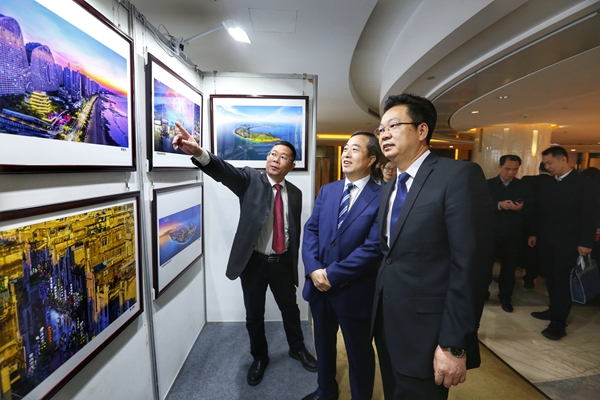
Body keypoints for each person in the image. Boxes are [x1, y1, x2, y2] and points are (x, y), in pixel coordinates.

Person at [172, 122, 317, 385]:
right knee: (254, 314)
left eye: (283, 157)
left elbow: (291, 230)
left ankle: (297, 349)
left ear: (292, 165)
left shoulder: (295, 194)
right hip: (254, 264)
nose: (276, 159)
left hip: (282, 263)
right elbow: (223, 171)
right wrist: (199, 153)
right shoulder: (250, 179)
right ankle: (259, 357)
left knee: (291, 310)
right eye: (272, 154)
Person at [373, 93, 493, 399]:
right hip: (388, 325)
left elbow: (470, 267)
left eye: (393, 125)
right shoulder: (390, 186)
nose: (384, 134)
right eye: (380, 129)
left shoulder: (458, 176)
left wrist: (454, 344)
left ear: (422, 130)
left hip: (429, 334)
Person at [302, 131, 383, 400]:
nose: (346, 154)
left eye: (355, 149)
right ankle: (325, 391)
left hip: (355, 291)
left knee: (359, 352)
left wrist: (331, 275)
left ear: (371, 159)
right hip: (319, 287)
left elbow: (373, 247)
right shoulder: (329, 190)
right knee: (323, 346)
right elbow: (311, 230)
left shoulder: (382, 196)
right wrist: (314, 269)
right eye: (345, 148)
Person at [528, 147, 600, 340]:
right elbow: (540, 212)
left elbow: (590, 216)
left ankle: (558, 323)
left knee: (562, 282)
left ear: (563, 160)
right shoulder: (548, 183)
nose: (547, 167)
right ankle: (553, 310)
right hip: (546, 241)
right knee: (550, 279)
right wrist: (534, 233)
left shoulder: (585, 184)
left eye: (550, 163)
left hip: (569, 243)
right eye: (545, 164)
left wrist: (586, 243)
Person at [486, 154, 533, 312]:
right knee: (485, 268)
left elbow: (532, 210)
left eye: (515, 169)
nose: (511, 172)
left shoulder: (523, 187)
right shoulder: (487, 185)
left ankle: (505, 298)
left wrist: (521, 209)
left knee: (509, 269)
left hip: (513, 235)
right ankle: (482, 293)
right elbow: (478, 207)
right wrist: (499, 205)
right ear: (499, 167)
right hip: (490, 234)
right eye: (507, 169)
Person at [520, 162, 553, 288]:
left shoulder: (527, 180)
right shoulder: (555, 183)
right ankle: (537, 277)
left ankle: (528, 278)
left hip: (526, 221)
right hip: (547, 224)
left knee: (527, 251)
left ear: (539, 168)